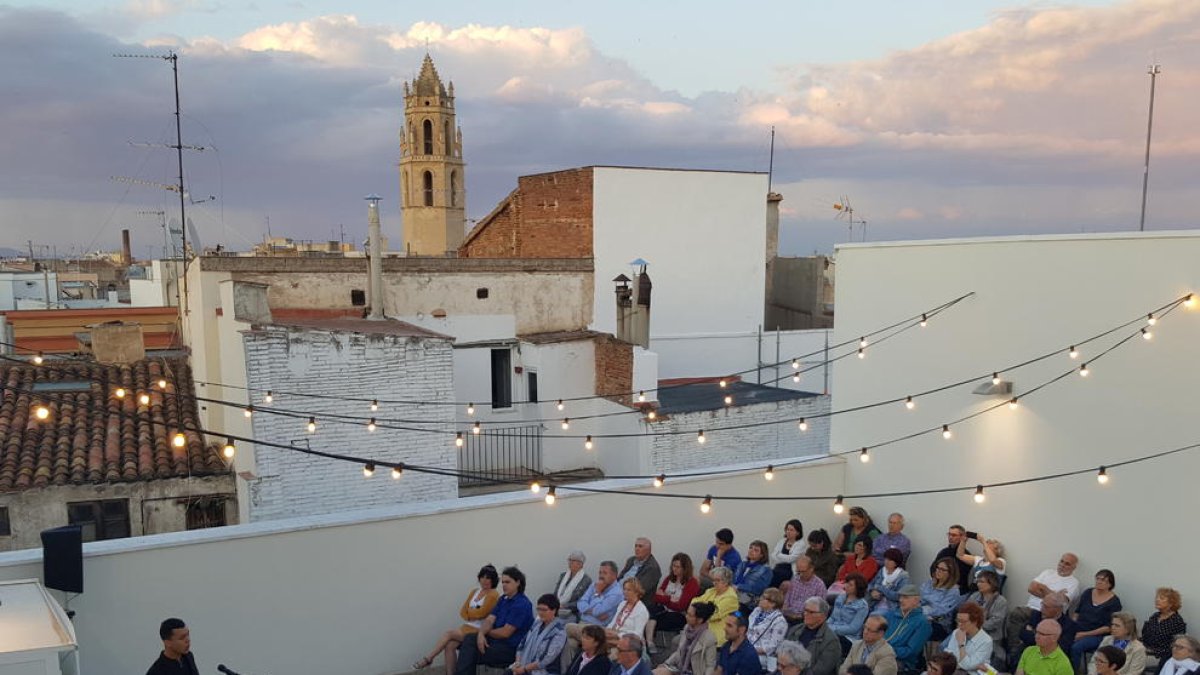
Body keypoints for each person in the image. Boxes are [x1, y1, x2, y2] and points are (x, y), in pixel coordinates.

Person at [415, 564, 503, 673]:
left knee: (448, 633)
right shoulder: (474, 591)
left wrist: (471, 613)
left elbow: (482, 613)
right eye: (482, 577)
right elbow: (463, 611)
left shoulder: (493, 594)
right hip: (467, 626)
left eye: (488, 578)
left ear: (493, 580)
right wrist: (473, 613)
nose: (484, 580)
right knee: (449, 645)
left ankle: (428, 658)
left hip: (479, 630)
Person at [456, 566, 535, 675]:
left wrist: (484, 633)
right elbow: (489, 620)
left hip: (509, 649)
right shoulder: (503, 599)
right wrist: (480, 635)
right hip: (495, 642)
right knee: (469, 639)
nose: (504, 585)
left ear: (518, 583)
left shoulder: (521, 604)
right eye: (503, 582)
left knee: (468, 651)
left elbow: (505, 633)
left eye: (507, 582)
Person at [1004, 553, 1081, 662]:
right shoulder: (1048, 572)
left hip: (1049, 615)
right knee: (1017, 617)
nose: (1062, 565)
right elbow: (1031, 588)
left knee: (1017, 613)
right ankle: (1013, 652)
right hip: (1033, 610)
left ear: (1074, 567)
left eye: (1067, 564)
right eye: (1061, 561)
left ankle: (1014, 652)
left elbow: (1061, 602)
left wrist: (1043, 587)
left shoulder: (1073, 582)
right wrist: (1052, 595)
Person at [565, 562, 624, 666]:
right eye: (600, 572)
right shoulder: (594, 585)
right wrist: (590, 610)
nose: (601, 576)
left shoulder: (617, 593)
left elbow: (598, 610)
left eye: (605, 573)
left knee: (567, 627)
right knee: (569, 643)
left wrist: (597, 593)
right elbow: (580, 603)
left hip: (597, 629)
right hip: (582, 624)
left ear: (614, 575)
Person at [646, 553, 701, 652]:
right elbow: (656, 597)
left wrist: (664, 597)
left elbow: (680, 606)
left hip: (679, 615)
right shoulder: (669, 579)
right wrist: (669, 599)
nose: (674, 569)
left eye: (677, 567)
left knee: (650, 618)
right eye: (673, 566)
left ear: (685, 568)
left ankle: (649, 643)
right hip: (663, 609)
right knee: (648, 610)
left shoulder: (691, 583)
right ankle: (649, 643)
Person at [1069, 570, 1122, 669]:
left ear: (1110, 584)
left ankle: (1074, 672)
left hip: (1097, 635)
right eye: (1097, 578)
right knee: (1062, 640)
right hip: (1079, 629)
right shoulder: (1088, 592)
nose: (1099, 582)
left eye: (1103, 580)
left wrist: (1084, 634)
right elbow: (1077, 612)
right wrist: (1072, 626)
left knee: (1076, 647)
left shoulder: (1114, 602)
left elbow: (1108, 627)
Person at [507, 594, 568, 675]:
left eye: (544, 610)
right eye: (539, 609)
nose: (540, 613)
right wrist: (518, 663)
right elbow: (522, 644)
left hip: (543, 671)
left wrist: (524, 669)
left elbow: (546, 659)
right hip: (523, 666)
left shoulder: (559, 632)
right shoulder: (536, 624)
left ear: (554, 610)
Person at [653, 602, 718, 675]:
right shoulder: (687, 629)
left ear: (700, 620)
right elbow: (678, 653)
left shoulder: (709, 639)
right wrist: (665, 664)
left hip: (694, 672)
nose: (686, 616)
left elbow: (710, 666)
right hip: (679, 669)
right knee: (655, 672)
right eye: (687, 613)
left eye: (690, 615)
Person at [1015, 592, 1077, 666]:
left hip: (1050, 659)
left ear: (1058, 610)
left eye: (1046, 607)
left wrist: (1033, 634)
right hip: (1029, 652)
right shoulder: (1036, 615)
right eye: (1042, 604)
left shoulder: (1068, 625)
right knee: (1017, 657)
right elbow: (1022, 634)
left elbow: (1061, 648)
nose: (1042, 609)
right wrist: (1046, 640)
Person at [785, 597, 842, 675]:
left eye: (811, 612)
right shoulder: (795, 630)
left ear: (823, 616)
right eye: (805, 610)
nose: (805, 614)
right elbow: (783, 653)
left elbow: (820, 671)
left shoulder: (831, 641)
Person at [884, 585, 933, 673]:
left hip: (903, 663)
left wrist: (887, 650)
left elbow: (910, 652)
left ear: (916, 600)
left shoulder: (923, 623)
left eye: (905, 597)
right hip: (882, 653)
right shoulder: (890, 615)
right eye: (900, 597)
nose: (901, 600)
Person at [964, 570, 1008, 668]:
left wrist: (974, 626)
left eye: (982, 582)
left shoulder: (1001, 601)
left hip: (991, 637)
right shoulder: (974, 596)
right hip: (969, 634)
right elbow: (965, 613)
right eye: (978, 581)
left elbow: (995, 622)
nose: (978, 584)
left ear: (992, 583)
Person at [692, 566, 740, 646]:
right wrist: (702, 608)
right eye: (713, 580)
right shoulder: (711, 591)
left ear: (726, 582)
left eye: (717, 580)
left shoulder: (731, 597)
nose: (714, 583)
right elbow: (694, 601)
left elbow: (713, 615)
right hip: (702, 629)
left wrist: (700, 608)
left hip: (717, 633)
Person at [941, 603, 992, 675]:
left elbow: (967, 665)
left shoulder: (986, 641)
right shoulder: (957, 632)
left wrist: (961, 644)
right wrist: (965, 665)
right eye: (958, 620)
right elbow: (948, 657)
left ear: (975, 622)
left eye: (963, 621)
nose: (959, 624)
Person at [921, 558, 963, 641]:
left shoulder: (953, 591)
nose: (938, 571)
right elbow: (920, 599)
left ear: (950, 573)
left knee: (916, 628)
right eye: (938, 568)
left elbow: (939, 610)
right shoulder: (930, 583)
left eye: (942, 569)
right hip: (922, 615)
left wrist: (920, 610)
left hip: (939, 623)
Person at [1142, 588, 1187, 663]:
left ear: (1171, 603)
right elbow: (1145, 637)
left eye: (1161, 598)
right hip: (1145, 651)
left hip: (1161, 657)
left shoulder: (1177, 621)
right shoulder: (1155, 616)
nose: (1157, 600)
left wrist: (1153, 651)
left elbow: (1175, 647)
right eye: (1157, 597)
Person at [748, 588, 789, 671]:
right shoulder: (757, 610)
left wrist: (749, 650)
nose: (760, 599)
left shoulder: (780, 621)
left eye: (764, 598)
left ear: (773, 604)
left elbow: (772, 647)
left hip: (764, 656)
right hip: (747, 648)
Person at [828, 574, 871, 649]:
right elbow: (832, 617)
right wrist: (825, 626)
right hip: (831, 631)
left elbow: (853, 629)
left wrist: (832, 629)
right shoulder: (840, 597)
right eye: (846, 583)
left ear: (858, 588)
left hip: (848, 638)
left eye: (850, 585)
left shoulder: (862, 606)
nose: (846, 586)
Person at [783, 555, 828, 624]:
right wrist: (785, 612)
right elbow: (786, 601)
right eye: (798, 572)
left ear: (811, 569)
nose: (800, 574)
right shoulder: (795, 579)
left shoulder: (819, 586)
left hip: (804, 619)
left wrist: (800, 616)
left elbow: (818, 612)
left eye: (803, 572)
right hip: (788, 615)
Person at [606, 579, 650, 649]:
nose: (625, 592)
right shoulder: (622, 604)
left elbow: (637, 635)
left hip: (628, 643)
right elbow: (613, 622)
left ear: (636, 592)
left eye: (628, 590)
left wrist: (618, 634)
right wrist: (607, 630)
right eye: (624, 589)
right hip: (613, 635)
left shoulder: (641, 610)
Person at [929, 526, 973, 596]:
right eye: (949, 534)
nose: (950, 537)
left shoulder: (966, 556)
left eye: (954, 535)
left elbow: (963, 577)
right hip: (939, 585)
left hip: (954, 590)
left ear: (962, 537)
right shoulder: (944, 552)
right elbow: (933, 568)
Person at [869, 549, 910, 617]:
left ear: (896, 562)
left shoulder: (903, 576)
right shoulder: (882, 570)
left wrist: (881, 589)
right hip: (874, 602)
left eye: (890, 560)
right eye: (886, 559)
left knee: (873, 616)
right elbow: (871, 584)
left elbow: (899, 596)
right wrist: (872, 591)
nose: (886, 562)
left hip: (890, 606)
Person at [735, 540, 774, 611]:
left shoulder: (766, 570)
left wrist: (738, 587)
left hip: (749, 602)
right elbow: (734, 579)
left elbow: (758, 589)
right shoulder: (743, 564)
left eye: (756, 550)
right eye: (750, 548)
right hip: (734, 594)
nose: (751, 551)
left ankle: (737, 617)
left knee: (735, 612)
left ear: (762, 555)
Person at [555, 552, 594, 621]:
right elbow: (555, 593)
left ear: (580, 564)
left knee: (558, 622)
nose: (570, 562)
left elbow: (582, 601)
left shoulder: (586, 580)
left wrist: (565, 606)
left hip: (573, 613)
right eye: (569, 560)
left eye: (573, 561)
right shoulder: (563, 576)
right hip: (556, 608)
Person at [772, 519, 807, 588]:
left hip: (790, 571)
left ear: (798, 532)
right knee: (769, 574)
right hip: (778, 568)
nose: (788, 532)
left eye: (791, 530)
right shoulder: (782, 541)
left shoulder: (801, 544)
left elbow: (791, 559)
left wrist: (778, 555)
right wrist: (782, 557)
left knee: (775, 579)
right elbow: (773, 555)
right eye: (787, 529)